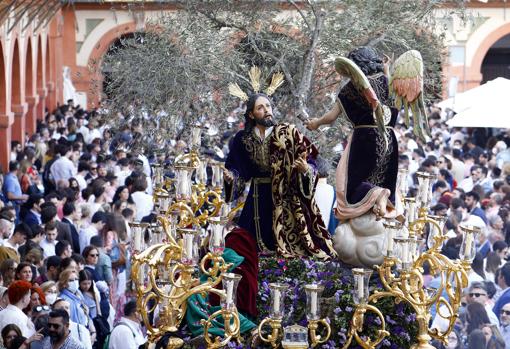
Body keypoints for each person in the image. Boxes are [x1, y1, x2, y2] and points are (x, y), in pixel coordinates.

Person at [224, 91, 335, 259]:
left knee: (287, 246)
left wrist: (306, 169)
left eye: (268, 106)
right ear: (251, 114)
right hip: (256, 198)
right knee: (245, 246)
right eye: (260, 107)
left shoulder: (288, 133)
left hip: (284, 199)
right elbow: (237, 168)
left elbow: (311, 159)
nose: (267, 110)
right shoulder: (243, 138)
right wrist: (232, 177)